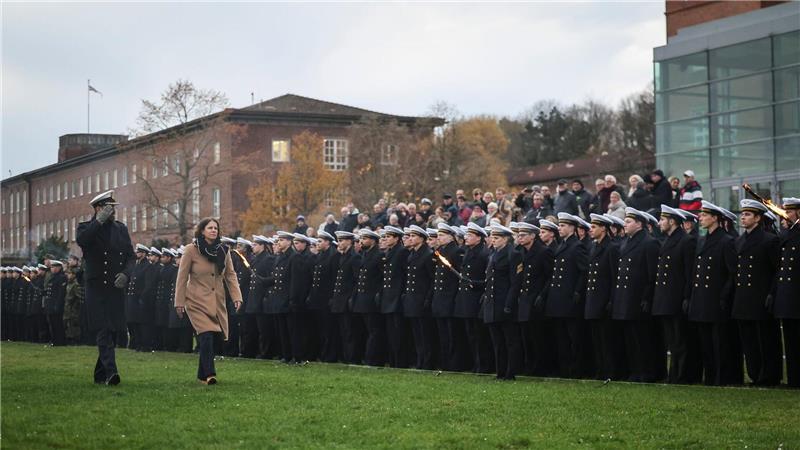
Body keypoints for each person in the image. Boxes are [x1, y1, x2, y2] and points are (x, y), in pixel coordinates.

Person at [76, 190, 135, 386]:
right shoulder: (86, 227)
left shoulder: (120, 229)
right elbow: (83, 241)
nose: (113, 211)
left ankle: (100, 373)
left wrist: (126, 274)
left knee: (114, 330)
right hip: (96, 286)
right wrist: (98, 221)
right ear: (98, 208)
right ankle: (111, 372)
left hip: (115, 287)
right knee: (103, 329)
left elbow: (130, 256)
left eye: (114, 208)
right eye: (109, 208)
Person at [174, 218, 243, 385]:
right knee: (205, 336)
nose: (213, 230)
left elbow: (230, 275)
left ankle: (201, 376)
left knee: (212, 337)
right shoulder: (191, 250)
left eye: (215, 228)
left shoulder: (224, 250)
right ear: (202, 231)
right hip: (195, 301)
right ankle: (210, 374)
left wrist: (237, 296)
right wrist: (179, 302)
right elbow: (182, 277)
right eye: (210, 228)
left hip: (216, 301)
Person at [686, 201, 738, 386]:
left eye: (705, 215)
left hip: (716, 298)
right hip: (701, 298)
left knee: (719, 342)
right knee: (705, 342)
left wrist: (724, 296)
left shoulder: (726, 241)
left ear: (715, 218)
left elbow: (732, 273)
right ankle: (710, 376)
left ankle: (721, 377)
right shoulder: (702, 240)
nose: (700, 218)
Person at [732, 199, 782, 386]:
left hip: (760, 296)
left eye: (748, 214)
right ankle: (755, 374)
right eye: (742, 214)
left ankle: (769, 376)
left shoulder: (769, 240)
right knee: (749, 340)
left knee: (766, 339)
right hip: (743, 297)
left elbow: (777, 270)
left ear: (758, 218)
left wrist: (772, 293)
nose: (743, 217)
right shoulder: (739, 241)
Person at [612, 208, 661, 383]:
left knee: (642, 338)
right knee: (630, 338)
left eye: (628, 221)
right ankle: (635, 370)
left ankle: (647, 371)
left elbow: (652, 274)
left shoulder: (649, 243)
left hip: (638, 297)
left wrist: (646, 298)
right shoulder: (626, 242)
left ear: (639, 224)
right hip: (625, 297)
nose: (625, 224)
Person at [652, 205, 700, 384]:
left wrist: (687, 297)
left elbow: (689, 273)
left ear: (672, 221)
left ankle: (683, 375)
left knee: (681, 339)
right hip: (666, 298)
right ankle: (674, 374)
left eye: (663, 219)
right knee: (672, 340)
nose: (659, 223)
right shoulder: (668, 240)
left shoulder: (686, 241)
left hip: (677, 298)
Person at [544, 213, 589, 379]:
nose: (559, 228)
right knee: (561, 337)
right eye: (559, 225)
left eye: (563, 225)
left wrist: (577, 291)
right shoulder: (562, 245)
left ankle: (577, 369)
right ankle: (565, 369)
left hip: (569, 298)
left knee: (574, 337)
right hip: (558, 298)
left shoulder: (577, 246)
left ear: (572, 228)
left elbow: (584, 271)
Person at [584, 214, 626, 381]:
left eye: (594, 227)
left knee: (607, 339)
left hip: (604, 300)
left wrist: (611, 300)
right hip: (593, 299)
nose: (591, 230)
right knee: (597, 339)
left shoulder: (611, 248)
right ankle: (601, 370)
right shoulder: (594, 247)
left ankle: (611, 371)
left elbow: (615, 277)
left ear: (603, 228)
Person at [482, 224, 523, 380]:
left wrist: (508, 304)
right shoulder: (493, 255)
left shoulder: (513, 255)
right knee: (497, 342)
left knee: (510, 341)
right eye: (492, 237)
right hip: (492, 303)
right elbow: (490, 280)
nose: (493, 240)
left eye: (497, 238)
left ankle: (510, 372)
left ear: (505, 239)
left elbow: (515, 283)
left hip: (504, 302)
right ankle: (500, 372)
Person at [514, 222, 554, 376]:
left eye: (523, 235)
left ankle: (541, 367)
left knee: (538, 336)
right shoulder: (521, 252)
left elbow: (550, 276)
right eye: (519, 235)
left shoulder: (543, 252)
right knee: (526, 336)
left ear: (532, 236)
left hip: (536, 299)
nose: (520, 238)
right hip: (524, 298)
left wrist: (542, 295)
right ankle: (529, 365)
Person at [774, 197, 800, 387]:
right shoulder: (787, 234)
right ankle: (793, 378)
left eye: (789, 212)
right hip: (788, 295)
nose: (785, 215)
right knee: (791, 340)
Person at [431, 223, 463, 371]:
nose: (439, 238)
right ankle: (445, 362)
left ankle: (453, 363)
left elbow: (458, 276)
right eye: (438, 235)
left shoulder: (456, 251)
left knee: (452, 333)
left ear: (451, 237)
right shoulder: (440, 251)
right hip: (440, 297)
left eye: (442, 235)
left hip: (449, 297)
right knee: (442, 333)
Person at [352, 229, 385, 366]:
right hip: (363, 299)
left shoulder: (379, 255)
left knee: (374, 330)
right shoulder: (365, 254)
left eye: (365, 239)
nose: (361, 241)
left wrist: (378, 295)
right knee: (367, 330)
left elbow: (383, 278)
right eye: (361, 239)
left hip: (372, 299)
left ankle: (373, 359)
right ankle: (367, 357)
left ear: (373, 241)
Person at [379, 226, 410, 368]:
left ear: (397, 238)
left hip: (397, 297)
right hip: (388, 297)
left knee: (398, 332)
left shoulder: (402, 252)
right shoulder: (389, 252)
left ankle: (400, 361)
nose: (386, 239)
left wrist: (402, 295)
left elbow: (405, 275)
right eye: (385, 236)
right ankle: (393, 360)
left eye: (389, 236)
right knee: (391, 332)